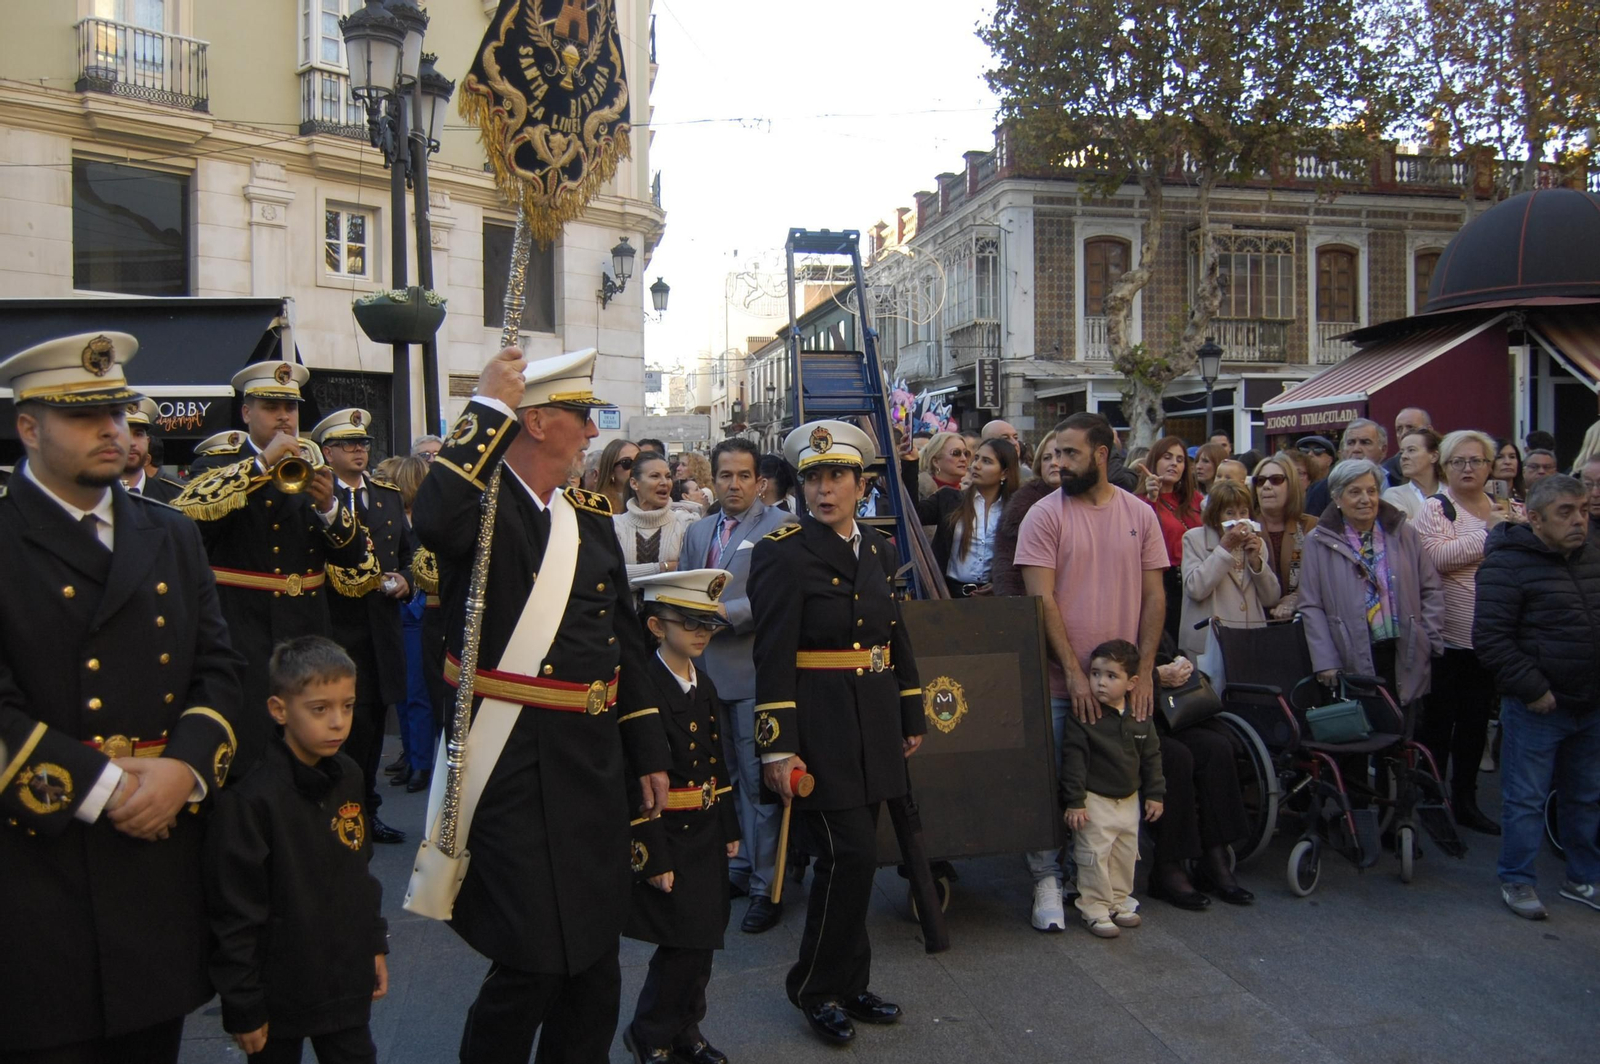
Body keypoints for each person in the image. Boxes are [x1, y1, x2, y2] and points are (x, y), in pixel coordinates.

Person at [410, 347, 672, 1064]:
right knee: (529, 960)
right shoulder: (483, 507)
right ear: (535, 420)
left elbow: (624, 637)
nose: (593, 434)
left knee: (592, 962)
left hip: (591, 765)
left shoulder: (587, 515)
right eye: (581, 418)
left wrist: (647, 747)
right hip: (512, 762)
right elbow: (434, 520)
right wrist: (484, 407)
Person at [0, 331, 243, 1064]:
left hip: (158, 857)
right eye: (84, 415)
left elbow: (220, 669)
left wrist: (182, 771)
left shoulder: (169, 533)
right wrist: (107, 788)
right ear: (28, 427)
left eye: (117, 412)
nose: (112, 430)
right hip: (36, 864)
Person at [749, 420, 925, 1047]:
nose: (825, 490)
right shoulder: (782, 550)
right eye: (814, 478)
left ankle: (850, 981)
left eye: (837, 477)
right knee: (844, 853)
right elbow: (771, 654)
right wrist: (777, 744)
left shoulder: (876, 547)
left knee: (861, 855)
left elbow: (894, 633)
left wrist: (910, 712)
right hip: (817, 724)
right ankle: (815, 987)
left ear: (863, 484)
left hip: (874, 718)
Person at [173, 361, 372, 775]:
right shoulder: (218, 463)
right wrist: (261, 465)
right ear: (247, 413)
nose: (284, 416)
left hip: (307, 624)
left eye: (291, 407)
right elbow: (190, 516)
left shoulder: (315, 462)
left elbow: (355, 558)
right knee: (251, 742)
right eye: (269, 406)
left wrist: (329, 508)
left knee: (311, 741)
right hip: (244, 626)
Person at [1015, 412, 1167, 933]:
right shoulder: (1043, 515)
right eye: (1054, 453)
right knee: (1049, 783)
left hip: (1119, 689)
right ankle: (1045, 879)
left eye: (1070, 453)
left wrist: (1143, 673)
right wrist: (1075, 677)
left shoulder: (1141, 515)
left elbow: (1154, 597)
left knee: (1106, 788)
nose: (1057, 463)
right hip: (1060, 684)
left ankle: (1096, 882)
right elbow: (1042, 601)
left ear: (1102, 454)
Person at [204, 637, 388, 1064]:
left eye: (348, 705)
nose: (339, 722)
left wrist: (374, 943)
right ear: (279, 710)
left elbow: (360, 869)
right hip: (278, 990)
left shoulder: (349, 776)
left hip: (343, 977)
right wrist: (243, 1003)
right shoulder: (251, 800)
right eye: (320, 709)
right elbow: (235, 910)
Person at [622, 570, 741, 1064]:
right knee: (681, 943)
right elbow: (635, 777)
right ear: (655, 626)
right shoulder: (642, 688)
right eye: (689, 622)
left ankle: (686, 1026)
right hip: (669, 831)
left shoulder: (702, 681)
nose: (702, 633)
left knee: (706, 934)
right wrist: (650, 853)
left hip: (707, 829)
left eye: (708, 624)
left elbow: (719, 757)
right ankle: (650, 1032)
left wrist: (730, 825)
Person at [679, 438, 795, 935]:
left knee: (758, 781)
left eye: (743, 476)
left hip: (752, 672)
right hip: (704, 674)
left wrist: (728, 613)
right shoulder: (698, 529)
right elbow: (687, 585)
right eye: (725, 475)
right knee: (723, 778)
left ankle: (768, 885)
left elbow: (782, 597)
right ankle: (739, 865)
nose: (734, 484)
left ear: (760, 481)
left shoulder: (781, 527)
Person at [1473, 475, 1600, 920]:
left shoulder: (1592, 556)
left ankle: (1583, 878)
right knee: (1524, 799)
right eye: (1565, 512)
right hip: (1538, 707)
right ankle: (1518, 879)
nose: (1578, 520)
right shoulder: (1506, 564)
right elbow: (1490, 639)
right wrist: (1534, 689)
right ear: (1535, 518)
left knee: (1584, 797)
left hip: (1590, 702)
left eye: (1582, 510)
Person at [311, 408, 414, 845]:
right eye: (349, 444)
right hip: (335, 625)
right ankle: (330, 811)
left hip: (381, 627)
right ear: (328, 452)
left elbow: (411, 551)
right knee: (334, 728)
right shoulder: (315, 495)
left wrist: (407, 580)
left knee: (371, 726)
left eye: (364, 444)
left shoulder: (385, 494)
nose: (359, 450)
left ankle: (367, 811)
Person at [1416, 431, 1526, 834]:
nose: (1467, 468)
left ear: (1489, 466)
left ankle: (1466, 800)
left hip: (1495, 638)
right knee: (1439, 724)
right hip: (1448, 638)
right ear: (1444, 466)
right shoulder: (1436, 508)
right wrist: (1490, 535)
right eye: (1458, 461)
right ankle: (1431, 800)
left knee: (1476, 724)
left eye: (1476, 461)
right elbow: (1435, 559)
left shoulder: (1511, 508)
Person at [1299, 459, 1444, 723]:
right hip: (1349, 652)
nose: (1366, 499)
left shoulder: (1404, 533)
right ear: (1337, 498)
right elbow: (1311, 605)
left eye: (1372, 490)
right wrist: (1325, 660)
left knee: (1401, 731)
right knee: (1358, 737)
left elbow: (1430, 588)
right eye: (1355, 492)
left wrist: (1428, 638)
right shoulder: (1318, 541)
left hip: (1403, 649)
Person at [1060, 640, 1165, 938]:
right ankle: (1094, 908)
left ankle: (1119, 900)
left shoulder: (1139, 716)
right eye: (1095, 674)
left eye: (1110, 676)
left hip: (1129, 799)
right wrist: (1075, 801)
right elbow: (1074, 761)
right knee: (1093, 855)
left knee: (1125, 853)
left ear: (1132, 682)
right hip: (1094, 799)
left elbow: (1152, 757)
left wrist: (1155, 794)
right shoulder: (1083, 717)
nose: (1100, 683)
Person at [1178, 479, 1280, 661]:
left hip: (1249, 644)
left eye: (1243, 512)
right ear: (1216, 516)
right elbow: (1195, 589)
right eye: (1230, 513)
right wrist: (1224, 549)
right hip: (1210, 646)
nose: (1239, 519)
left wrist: (1257, 563)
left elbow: (1271, 598)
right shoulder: (1194, 539)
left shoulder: (1257, 544)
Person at [385, 455, 439, 794]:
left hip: (419, 610)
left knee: (417, 692)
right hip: (396, 608)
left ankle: (421, 762)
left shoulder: (427, 519)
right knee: (401, 692)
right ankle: (410, 755)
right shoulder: (392, 518)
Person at [912, 437, 1022, 596]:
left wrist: (1001, 583)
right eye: (976, 458)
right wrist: (910, 464)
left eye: (987, 461)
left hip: (998, 599)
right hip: (948, 596)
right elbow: (914, 515)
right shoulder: (949, 499)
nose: (976, 465)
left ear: (1004, 473)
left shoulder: (1016, 509)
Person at [1139, 434, 1203, 641]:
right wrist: (1152, 500)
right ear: (1154, 461)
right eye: (1167, 457)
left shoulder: (1195, 499)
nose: (1174, 464)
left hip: (1198, 579)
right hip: (1164, 583)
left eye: (1180, 459)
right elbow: (1140, 539)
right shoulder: (1139, 502)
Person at [992, 430, 1060, 598]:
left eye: (1060, 455)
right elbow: (1006, 559)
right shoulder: (1023, 503)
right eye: (1046, 458)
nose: (1053, 463)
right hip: (1034, 600)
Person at [1253, 454, 1319, 620]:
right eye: (1260, 481)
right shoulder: (1245, 527)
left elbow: (1320, 576)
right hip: (1253, 620)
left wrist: (1296, 597)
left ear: (1291, 485)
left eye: (1276, 479)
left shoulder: (1311, 526)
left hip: (1300, 622)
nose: (1266, 486)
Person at [615, 450, 698, 581]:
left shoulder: (686, 522)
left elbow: (690, 576)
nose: (664, 482)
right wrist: (663, 568)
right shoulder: (615, 525)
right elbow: (611, 577)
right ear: (634, 483)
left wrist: (631, 574)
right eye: (655, 476)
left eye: (668, 476)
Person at [123, 397, 183, 501]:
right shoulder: (90, 496)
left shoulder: (177, 495)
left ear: (147, 441)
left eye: (138, 434)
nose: (132, 443)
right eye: (124, 433)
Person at [1383, 428, 1444, 521]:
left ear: (1434, 456)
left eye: (1411, 450)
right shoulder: (1394, 495)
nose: (1403, 457)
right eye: (1401, 452)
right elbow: (1406, 531)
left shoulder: (1453, 493)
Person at [1384, 407, 1433, 483]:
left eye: (1410, 428)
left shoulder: (1446, 461)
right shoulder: (1388, 472)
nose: (1403, 434)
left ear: (1429, 430)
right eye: (1399, 429)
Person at [917, 430, 969, 497]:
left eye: (966, 453)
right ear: (936, 462)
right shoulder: (916, 491)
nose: (964, 459)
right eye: (956, 453)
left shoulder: (972, 495)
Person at [597, 437, 641, 514]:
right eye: (627, 462)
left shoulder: (653, 499)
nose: (635, 467)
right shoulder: (600, 503)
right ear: (611, 471)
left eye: (640, 460)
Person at [1298, 435, 1338, 517]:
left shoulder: (1335, 487)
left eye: (1318, 451)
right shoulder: (1293, 485)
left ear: (1329, 460)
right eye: (1305, 451)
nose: (1310, 454)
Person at [1493, 437, 1527, 504]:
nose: (1508, 462)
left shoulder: (1528, 497)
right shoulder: (1481, 497)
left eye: (1512, 457)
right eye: (1499, 457)